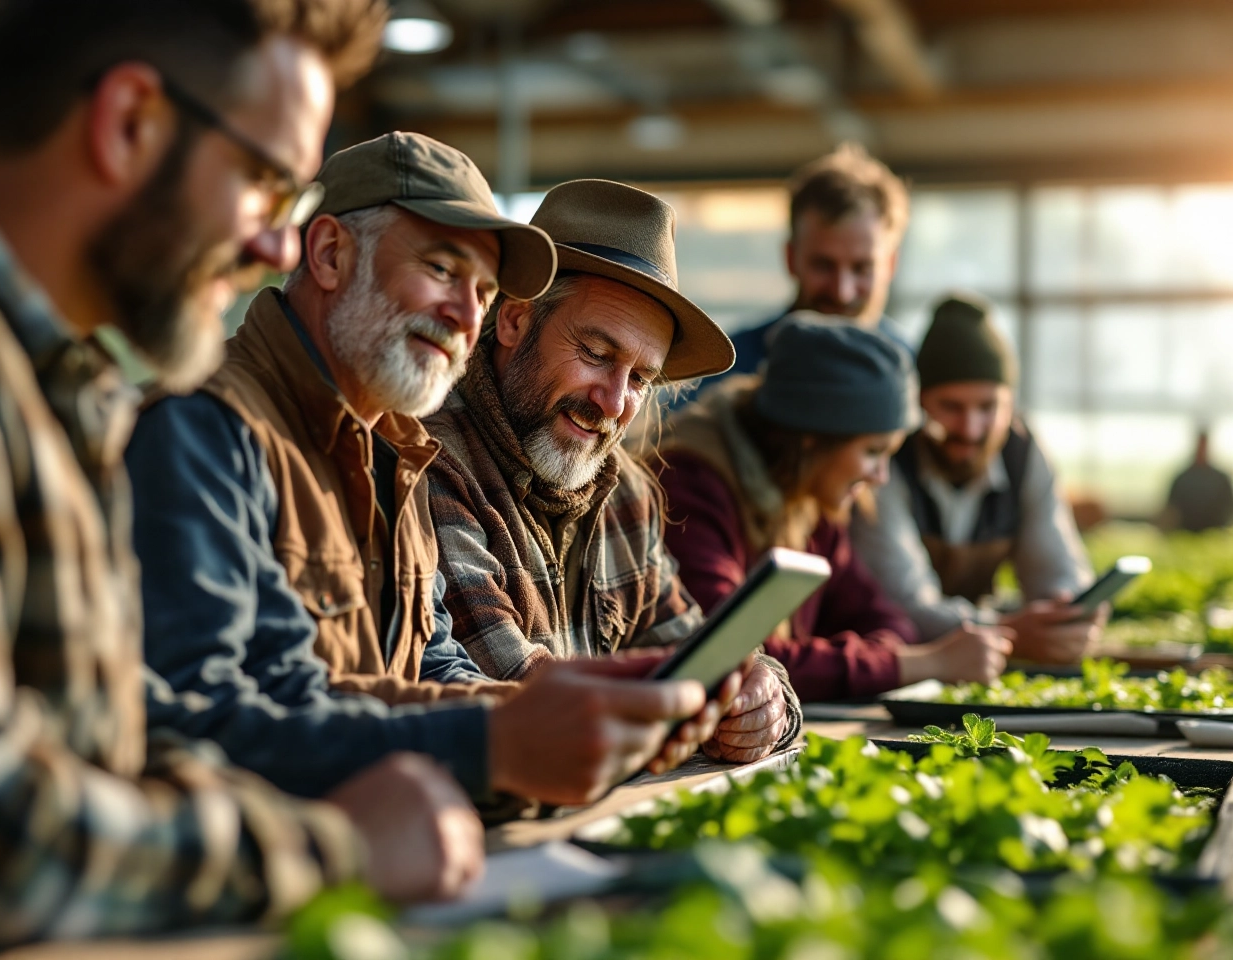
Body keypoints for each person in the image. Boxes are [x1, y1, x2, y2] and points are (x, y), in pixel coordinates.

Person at [0, 2, 487, 954]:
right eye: (265, 184)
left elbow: (114, 738)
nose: (278, 248)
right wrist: (333, 850)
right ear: (128, 124)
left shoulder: (56, 369)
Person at [128, 133, 721, 808]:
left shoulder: (398, 445)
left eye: (483, 288)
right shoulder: (203, 429)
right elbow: (206, 723)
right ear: (328, 255)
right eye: (442, 269)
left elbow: (428, 667)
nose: (469, 314)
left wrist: (533, 723)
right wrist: (499, 742)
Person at [425, 179, 803, 766]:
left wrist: (760, 693)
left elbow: (691, 646)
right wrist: (695, 696)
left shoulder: (624, 488)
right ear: (516, 322)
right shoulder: (432, 461)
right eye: (597, 355)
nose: (613, 402)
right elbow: (520, 691)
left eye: (641, 378)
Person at [651, 317, 1013, 702]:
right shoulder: (689, 488)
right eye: (873, 452)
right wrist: (923, 664)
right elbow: (728, 656)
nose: (880, 476)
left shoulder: (808, 496)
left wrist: (869, 659)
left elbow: (887, 621)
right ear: (812, 438)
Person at [851, 293, 1099, 663]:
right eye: (951, 407)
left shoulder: (1022, 453)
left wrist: (1069, 613)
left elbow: (1056, 566)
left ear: (1010, 405)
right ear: (918, 403)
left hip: (978, 664)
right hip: (899, 663)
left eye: (988, 407)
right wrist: (1011, 632)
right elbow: (905, 604)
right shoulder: (887, 460)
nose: (970, 428)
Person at [685, 144, 910, 407]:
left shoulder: (919, 375)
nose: (842, 291)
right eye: (823, 265)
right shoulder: (724, 369)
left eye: (862, 268)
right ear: (791, 259)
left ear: (891, 264)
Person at [1163, 429, 1233, 532]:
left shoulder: (1221, 479)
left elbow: (1229, 508)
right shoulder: (1182, 479)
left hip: (1214, 535)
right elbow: (1171, 510)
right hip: (1186, 535)